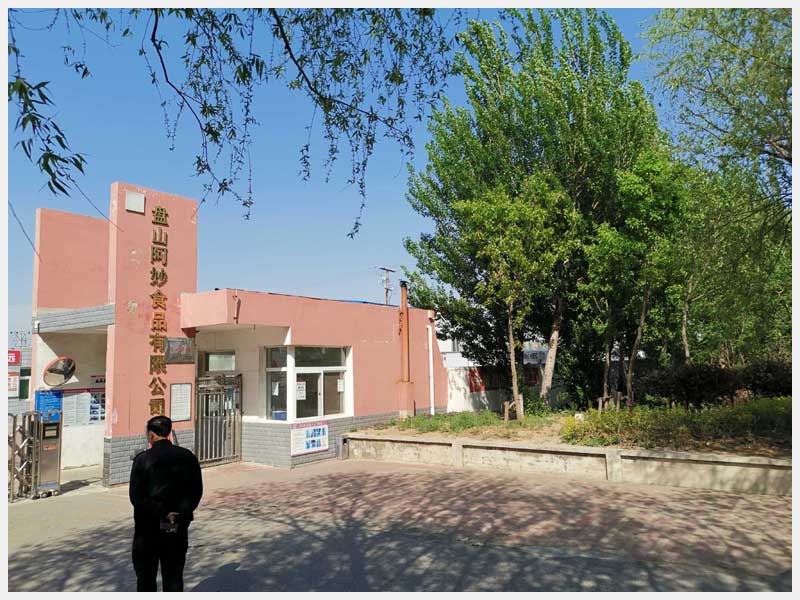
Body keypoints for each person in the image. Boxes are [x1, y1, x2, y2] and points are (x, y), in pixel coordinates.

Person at [129, 415, 203, 592]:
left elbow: (137, 497)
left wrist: (161, 512)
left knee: (146, 578)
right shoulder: (188, 457)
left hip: (148, 528)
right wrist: (179, 512)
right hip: (176, 526)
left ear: (151, 434)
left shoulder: (143, 460)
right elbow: (196, 492)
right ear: (168, 433)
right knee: (174, 577)